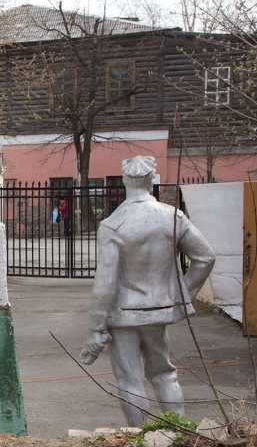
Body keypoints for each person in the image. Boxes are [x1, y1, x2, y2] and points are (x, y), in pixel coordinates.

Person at [80, 156, 215, 427]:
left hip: (124, 314)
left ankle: (141, 438)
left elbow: (105, 282)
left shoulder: (113, 224)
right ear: (153, 180)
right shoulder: (172, 217)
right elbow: (205, 258)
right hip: (159, 311)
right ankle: (177, 433)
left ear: (124, 181)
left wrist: (96, 327)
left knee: (131, 380)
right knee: (165, 374)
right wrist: (179, 294)